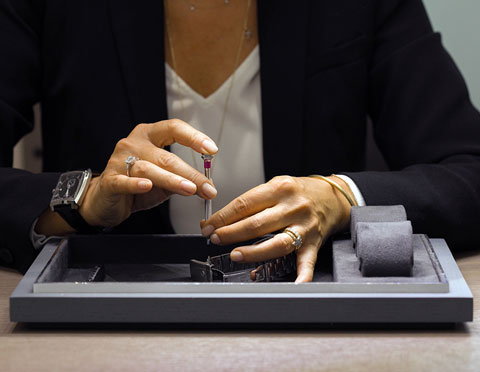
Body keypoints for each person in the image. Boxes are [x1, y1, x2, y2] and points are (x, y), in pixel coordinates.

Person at [1, 0, 480, 281]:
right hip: (101, 331)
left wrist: (341, 197)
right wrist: (81, 201)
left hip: (317, 325)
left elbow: (468, 168)